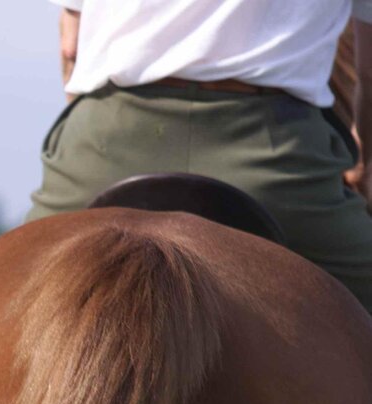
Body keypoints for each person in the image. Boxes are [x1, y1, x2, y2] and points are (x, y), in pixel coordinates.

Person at [29, 0, 372, 314]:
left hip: (103, 144)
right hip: (277, 158)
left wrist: (85, 153)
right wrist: (366, 166)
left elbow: (70, 46)